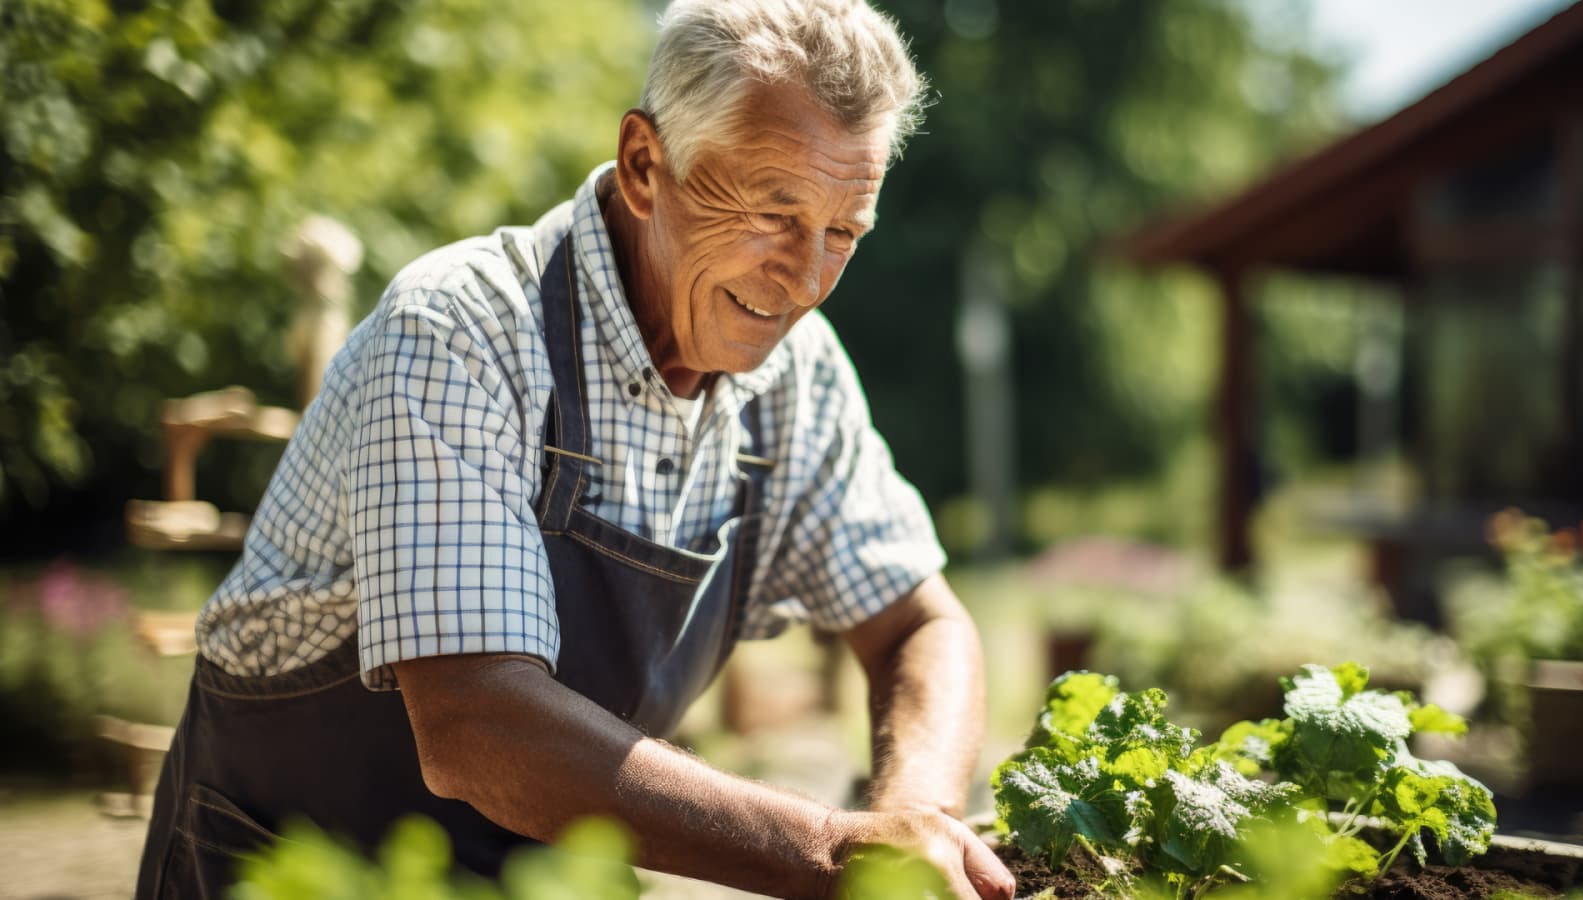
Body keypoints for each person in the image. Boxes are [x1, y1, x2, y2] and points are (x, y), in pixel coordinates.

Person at [136, 1, 1014, 898]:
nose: (806, 280)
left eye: (844, 232)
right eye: (771, 211)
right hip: (291, 870)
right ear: (645, 165)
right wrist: (830, 848)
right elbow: (478, 725)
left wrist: (914, 831)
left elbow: (920, 625)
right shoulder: (460, 332)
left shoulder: (799, 382)